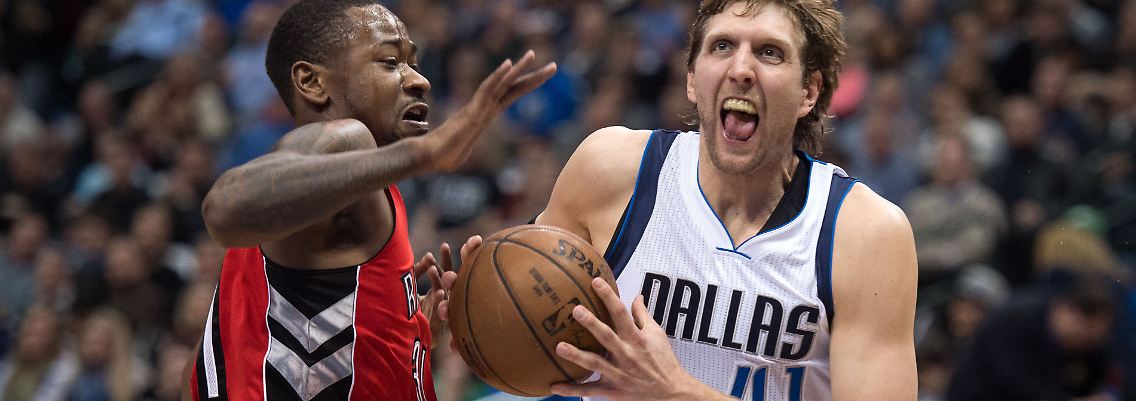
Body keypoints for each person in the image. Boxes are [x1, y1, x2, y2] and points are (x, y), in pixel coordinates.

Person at [435, 1, 918, 400]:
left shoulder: (864, 233)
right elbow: (539, 336)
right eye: (722, 45)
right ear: (692, 78)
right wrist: (482, 311)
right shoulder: (611, 171)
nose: (741, 69)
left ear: (809, 91)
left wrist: (678, 393)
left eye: (770, 53)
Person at [183, 0, 555, 399]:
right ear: (312, 82)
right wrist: (425, 154)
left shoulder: (313, 210)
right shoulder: (348, 141)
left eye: (414, 61)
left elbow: (200, 379)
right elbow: (221, 210)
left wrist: (405, 329)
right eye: (390, 61)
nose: (419, 80)